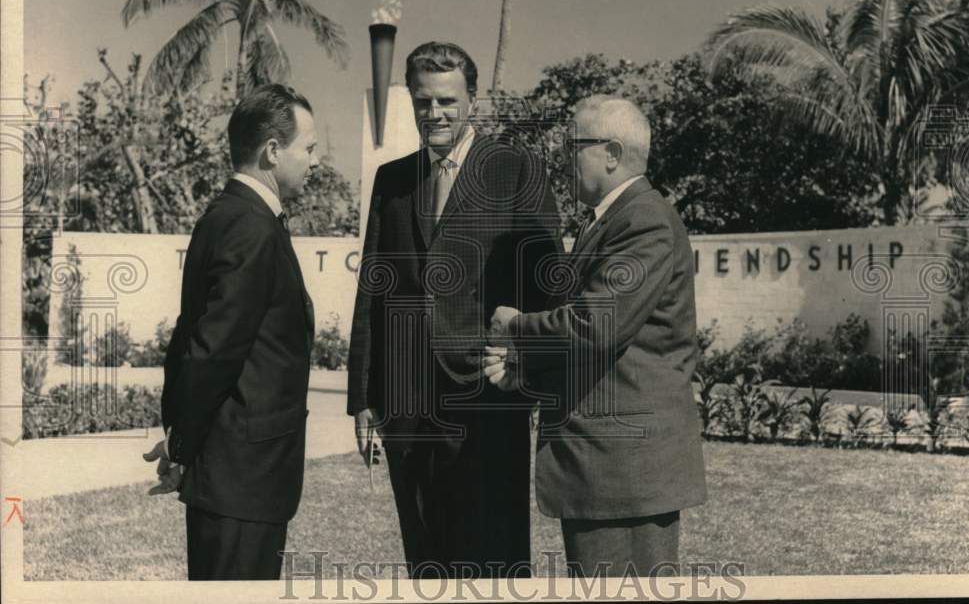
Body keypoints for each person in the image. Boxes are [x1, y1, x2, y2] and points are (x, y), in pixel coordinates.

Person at [347, 42, 562, 579]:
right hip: (406, 407)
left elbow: (547, 282)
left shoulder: (515, 169)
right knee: (426, 556)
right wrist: (363, 397)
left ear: (473, 99)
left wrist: (526, 367)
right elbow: (373, 292)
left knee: (493, 556)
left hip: (486, 400)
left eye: (446, 100)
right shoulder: (391, 181)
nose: (434, 113)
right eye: (423, 102)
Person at [484, 95, 707, 578]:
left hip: (623, 472)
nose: (565, 158)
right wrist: (527, 370)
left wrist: (516, 328)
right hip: (608, 468)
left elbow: (594, 325)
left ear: (610, 152)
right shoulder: (609, 220)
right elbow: (613, 346)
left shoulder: (642, 218)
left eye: (572, 145)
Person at [144, 84, 319, 581]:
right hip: (244, 477)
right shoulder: (250, 227)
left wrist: (182, 438)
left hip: (237, 474)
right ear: (271, 151)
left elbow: (192, 342)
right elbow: (210, 352)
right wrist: (183, 450)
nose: (315, 160)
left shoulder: (228, 216)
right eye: (307, 147)